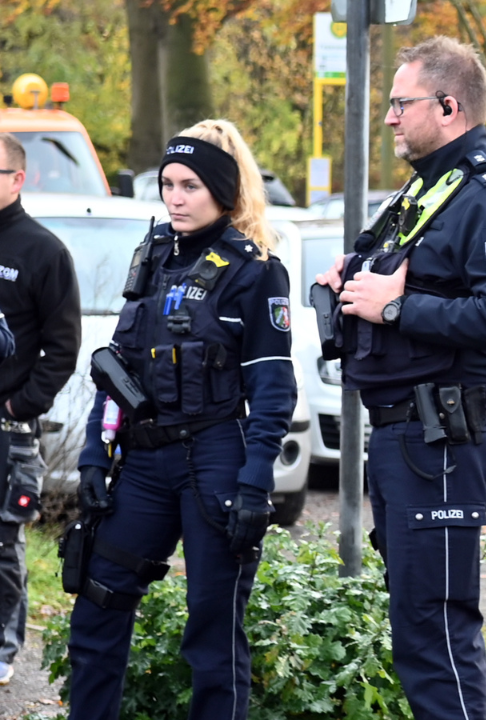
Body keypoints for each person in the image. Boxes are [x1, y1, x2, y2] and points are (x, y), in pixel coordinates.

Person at [313, 36, 486, 718]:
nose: (387, 118)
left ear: (449, 105)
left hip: (444, 434)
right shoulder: (427, 192)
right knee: (420, 631)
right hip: (409, 437)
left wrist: (396, 306)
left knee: (437, 633)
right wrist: (350, 283)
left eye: (398, 103)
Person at [67, 120, 296, 719]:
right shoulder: (152, 257)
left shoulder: (255, 270)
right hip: (142, 464)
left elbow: (274, 391)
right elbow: (116, 371)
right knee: (96, 605)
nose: (174, 197)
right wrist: (95, 456)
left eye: (190, 185)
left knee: (213, 633)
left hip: (214, 460)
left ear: (222, 190)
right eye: (168, 184)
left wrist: (254, 486)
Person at [0, 132, 67, 686]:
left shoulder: (43, 251)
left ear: (17, 179)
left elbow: (62, 346)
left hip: (9, 431)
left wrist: (21, 402)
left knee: (4, 543)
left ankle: (2, 649)